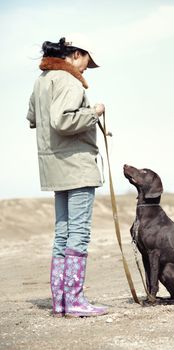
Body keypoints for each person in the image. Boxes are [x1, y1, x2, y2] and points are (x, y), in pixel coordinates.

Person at [26, 33, 108, 318]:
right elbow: (62, 120)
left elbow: (34, 118)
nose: (86, 68)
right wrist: (93, 112)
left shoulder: (42, 80)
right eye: (87, 61)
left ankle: (61, 302)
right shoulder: (70, 80)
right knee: (79, 234)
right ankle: (74, 301)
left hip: (53, 166)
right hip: (77, 167)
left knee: (62, 234)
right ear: (76, 54)